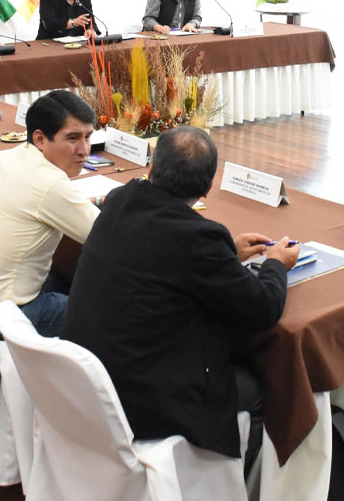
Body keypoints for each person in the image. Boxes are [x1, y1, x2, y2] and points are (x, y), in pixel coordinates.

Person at [60, 125, 299, 468]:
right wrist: (275, 263)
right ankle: (226, 484)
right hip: (143, 401)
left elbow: (157, 252)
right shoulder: (199, 238)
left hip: (85, 385)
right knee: (272, 388)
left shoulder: (120, 200)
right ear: (208, 187)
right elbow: (263, 308)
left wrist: (228, 251)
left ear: (151, 169)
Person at [0, 91, 100, 338]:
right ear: (40, 139)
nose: (84, 150)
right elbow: (110, 239)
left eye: (88, 137)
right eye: (73, 138)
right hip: (4, 318)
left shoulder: (14, 157)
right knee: (115, 311)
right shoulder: (50, 184)